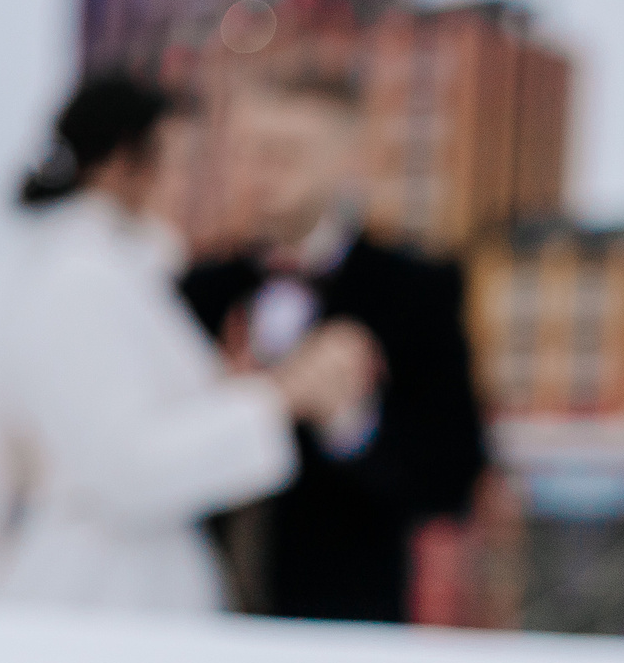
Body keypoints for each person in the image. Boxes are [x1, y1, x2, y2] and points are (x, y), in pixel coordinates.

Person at [0, 75, 375, 613]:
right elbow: (126, 466)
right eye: (180, 163)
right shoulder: (79, 281)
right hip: (101, 589)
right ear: (120, 167)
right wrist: (279, 399)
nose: (194, 184)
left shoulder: (116, 275)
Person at [180, 75, 487, 622]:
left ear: (350, 161)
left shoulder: (416, 289)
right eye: (253, 152)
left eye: (288, 153)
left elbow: (453, 478)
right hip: (199, 615)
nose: (262, 171)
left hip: (347, 632)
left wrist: (352, 423)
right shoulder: (195, 288)